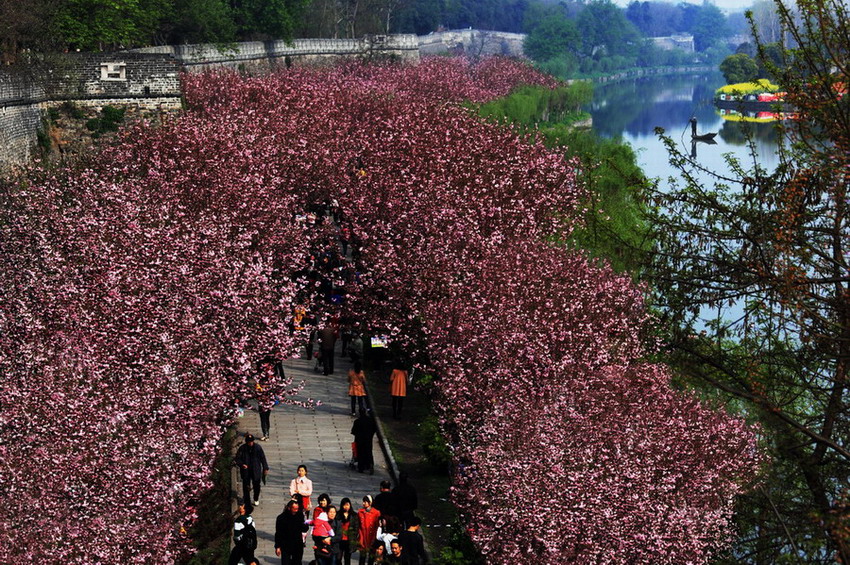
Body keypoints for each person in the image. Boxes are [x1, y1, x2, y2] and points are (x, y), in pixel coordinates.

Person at [235, 433, 269, 507]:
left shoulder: (258, 448)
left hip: (256, 469)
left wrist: (265, 468)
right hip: (246, 470)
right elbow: (237, 459)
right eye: (249, 442)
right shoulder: (242, 448)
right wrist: (242, 464)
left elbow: (263, 458)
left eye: (251, 441)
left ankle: (256, 498)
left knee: (256, 485)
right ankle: (247, 499)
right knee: (246, 486)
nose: (250, 443)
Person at [275, 499, 310, 565]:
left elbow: (304, 529)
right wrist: (277, 547)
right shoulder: (281, 518)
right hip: (285, 545)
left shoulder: (299, 515)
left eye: (297, 508)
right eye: (294, 509)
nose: (296, 510)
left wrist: (305, 524)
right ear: (289, 508)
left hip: (297, 545)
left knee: (297, 562)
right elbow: (278, 533)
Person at [358, 495, 382, 565]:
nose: (363, 503)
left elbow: (377, 526)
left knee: (371, 557)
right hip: (363, 536)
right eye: (363, 502)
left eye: (365, 502)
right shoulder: (360, 512)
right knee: (362, 557)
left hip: (372, 536)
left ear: (370, 503)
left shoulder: (376, 513)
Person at [338, 497, 360, 565]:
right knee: (338, 558)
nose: (346, 507)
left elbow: (356, 527)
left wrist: (354, 537)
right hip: (340, 540)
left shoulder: (354, 515)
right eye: (344, 505)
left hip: (349, 540)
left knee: (347, 559)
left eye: (347, 505)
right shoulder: (338, 514)